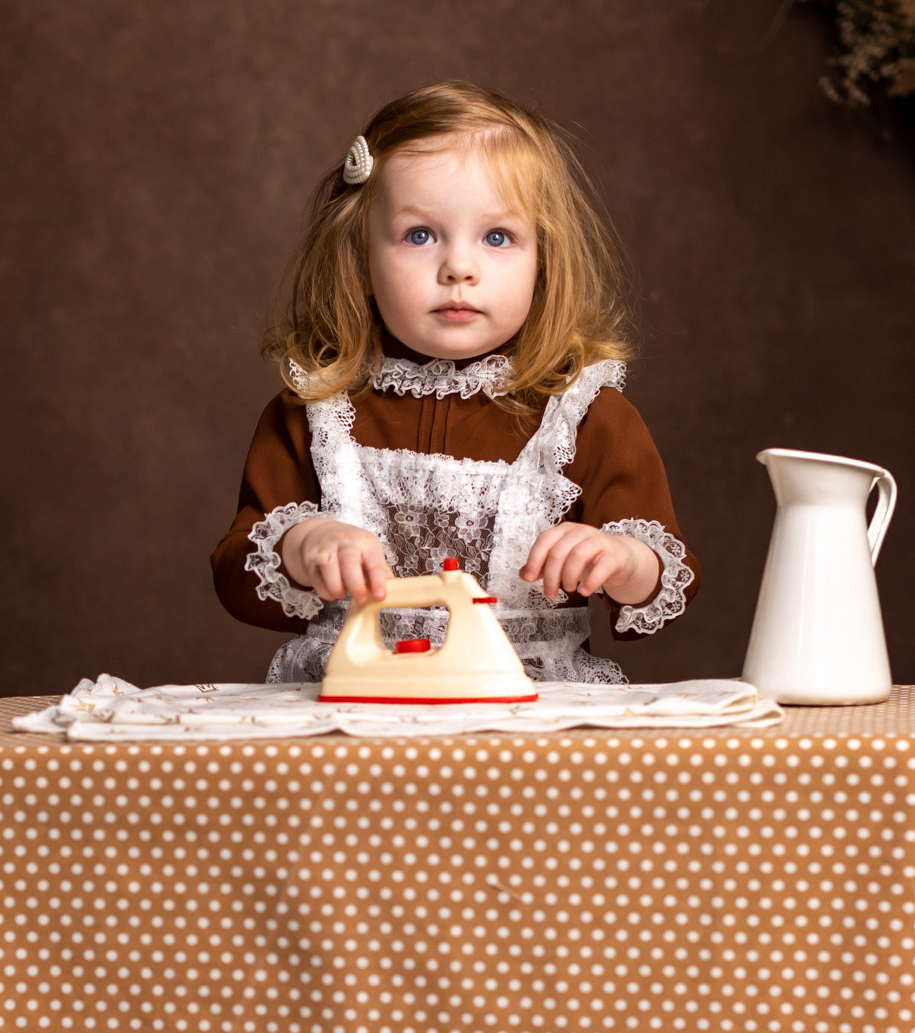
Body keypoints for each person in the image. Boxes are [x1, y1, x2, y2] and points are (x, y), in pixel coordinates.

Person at [211, 82, 699, 685]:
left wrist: (622, 560)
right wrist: (300, 547)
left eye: (498, 238)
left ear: (543, 261)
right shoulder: (314, 409)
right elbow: (235, 576)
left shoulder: (586, 416)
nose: (459, 268)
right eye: (420, 235)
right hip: (354, 708)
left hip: (525, 720)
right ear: (360, 257)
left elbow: (664, 581)